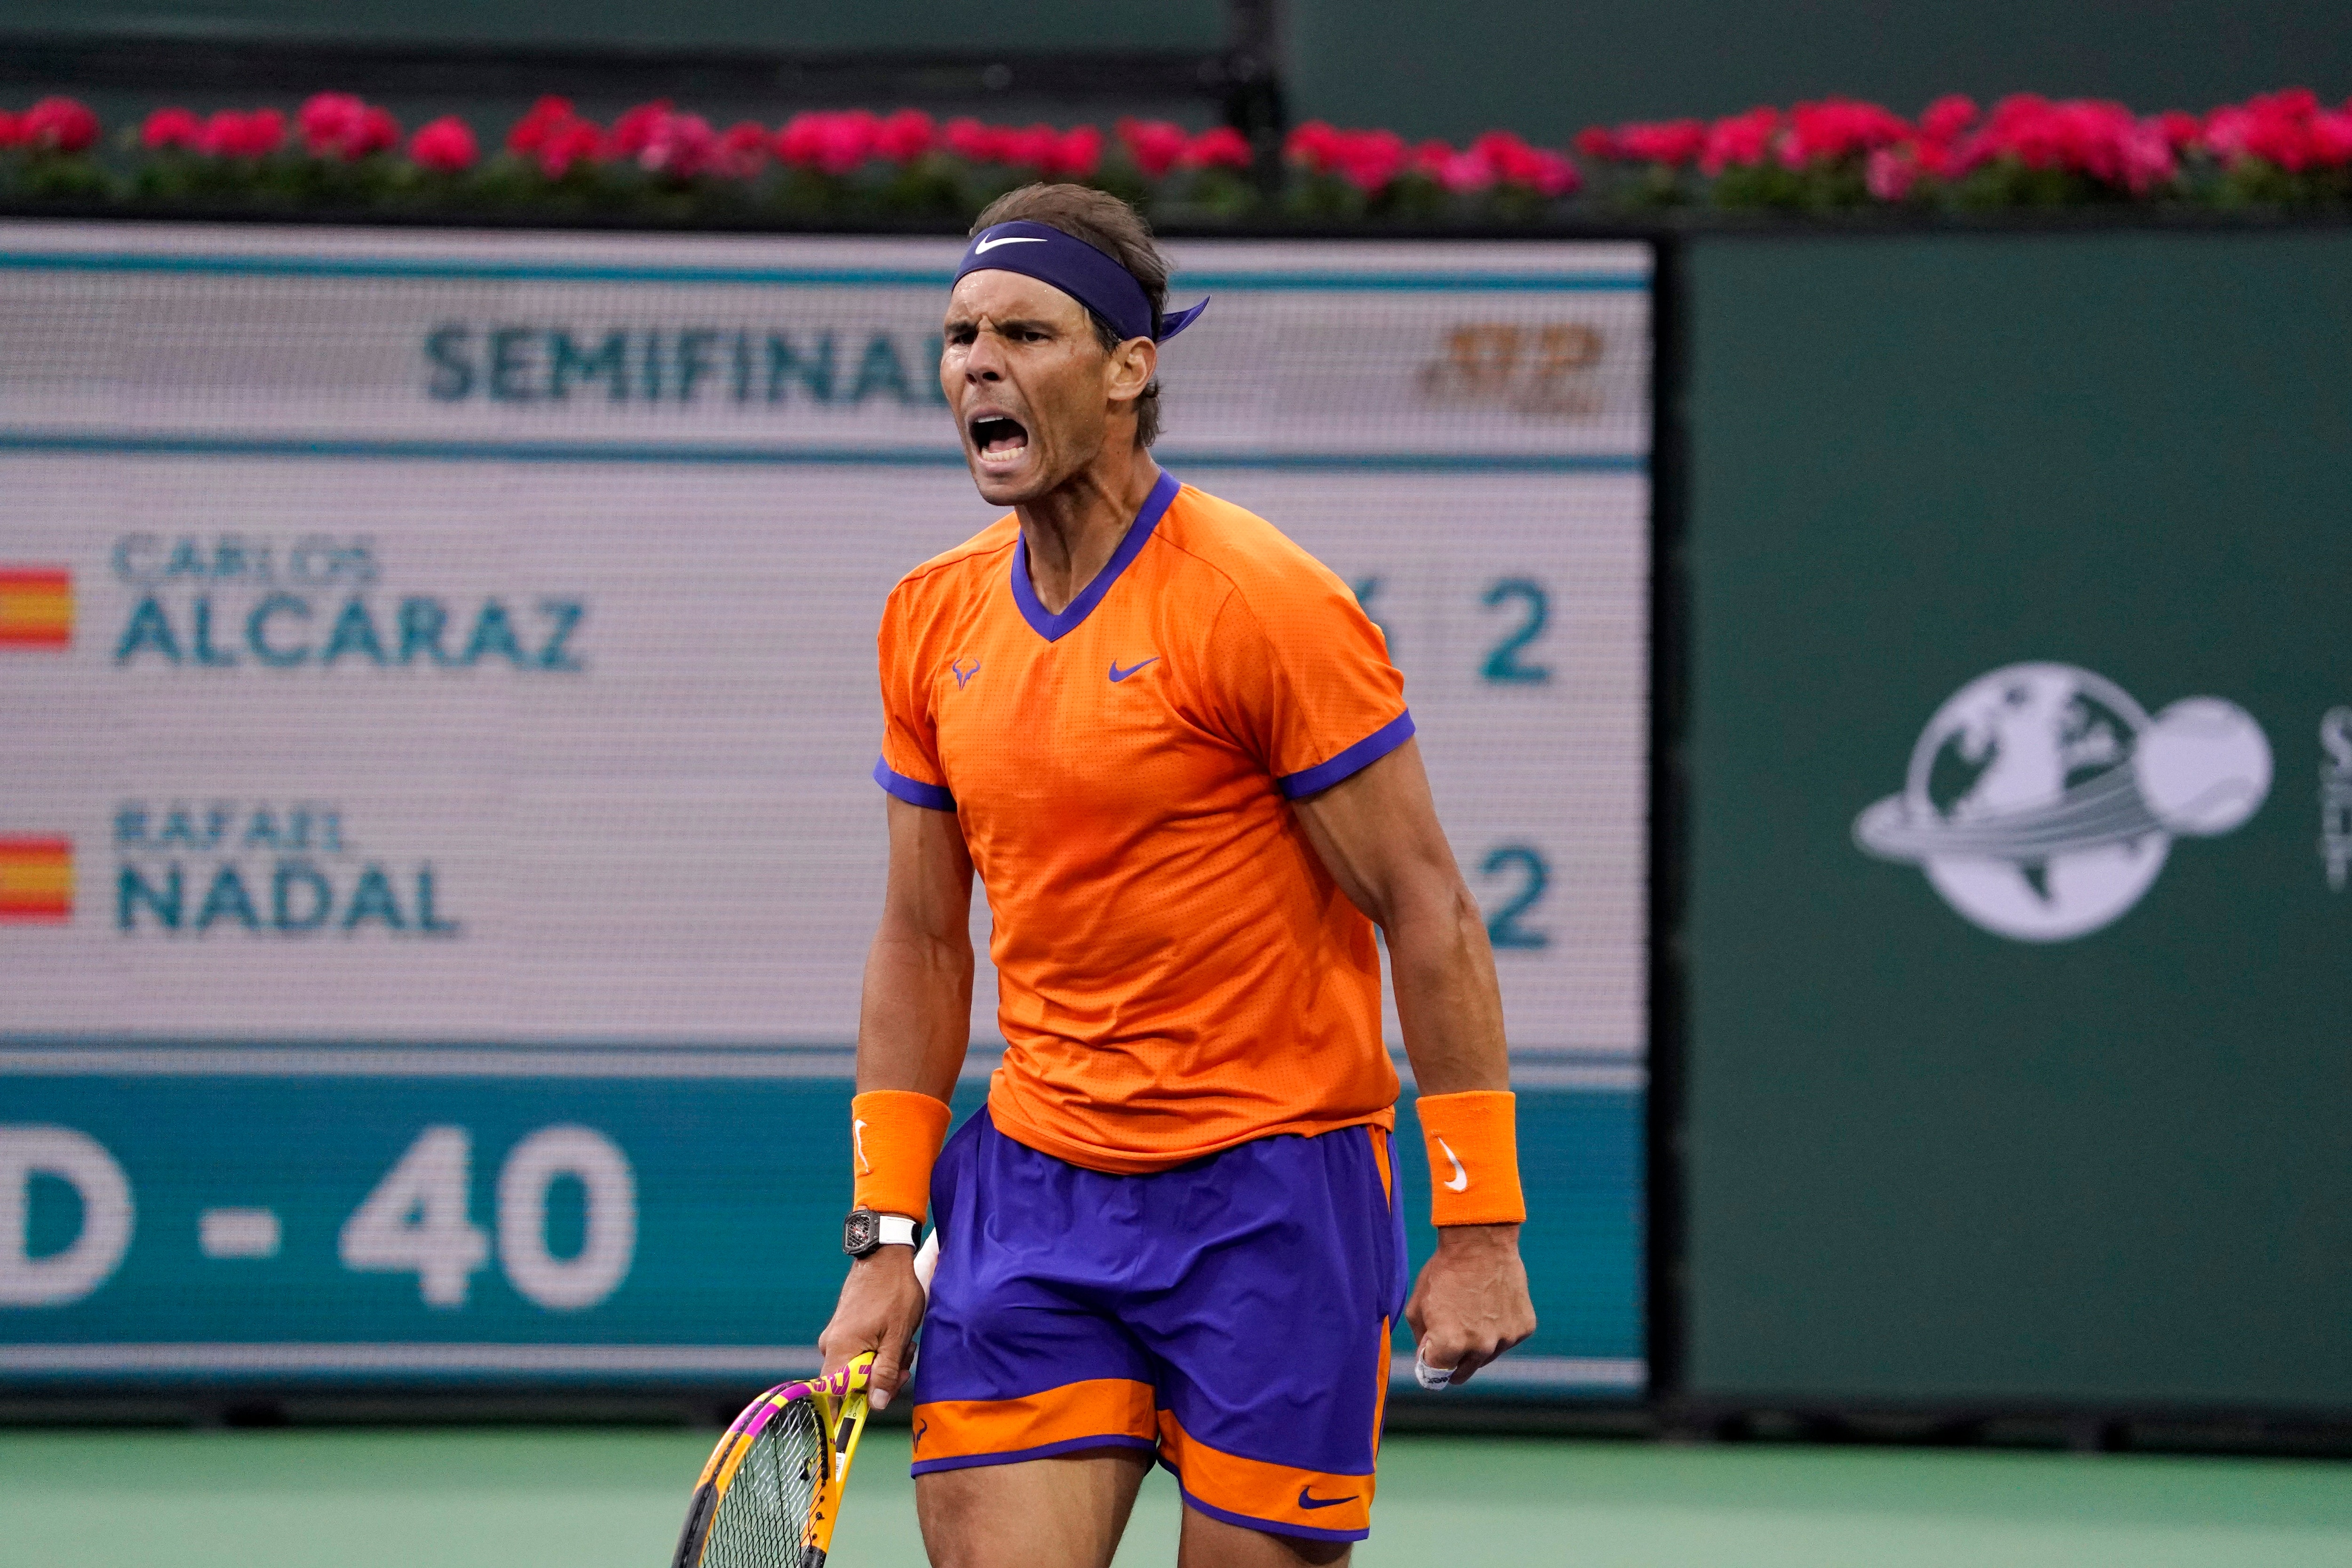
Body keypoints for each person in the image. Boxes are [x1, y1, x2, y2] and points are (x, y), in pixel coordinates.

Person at [819, 182, 1536, 1568]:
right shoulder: (930, 618)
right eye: (961, 335)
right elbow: (921, 942)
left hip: (1273, 1204)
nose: (979, 363)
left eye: (1025, 332)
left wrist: (1481, 1225)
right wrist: (884, 1240)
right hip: (1035, 1198)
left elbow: (1428, 908)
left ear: (1129, 370)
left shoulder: (1263, 602)